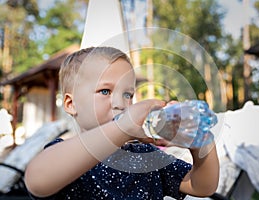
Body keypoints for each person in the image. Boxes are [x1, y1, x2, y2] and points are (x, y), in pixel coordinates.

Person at [24, 46, 219, 199]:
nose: (120, 103)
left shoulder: (146, 155)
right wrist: (121, 127)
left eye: (127, 94)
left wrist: (201, 142)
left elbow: (203, 186)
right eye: (105, 91)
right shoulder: (66, 154)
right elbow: (36, 180)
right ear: (71, 103)